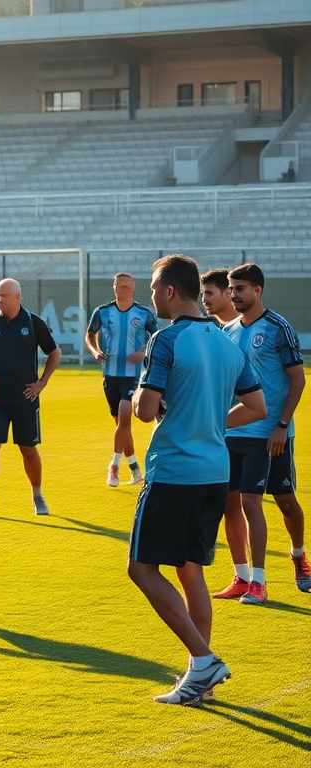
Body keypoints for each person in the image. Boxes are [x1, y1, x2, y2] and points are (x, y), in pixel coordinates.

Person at [127, 254, 265, 705]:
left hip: (175, 470)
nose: (151, 297)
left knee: (142, 568)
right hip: (215, 470)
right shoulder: (229, 342)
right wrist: (209, 422)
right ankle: (197, 678)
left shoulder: (165, 341)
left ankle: (204, 661)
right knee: (190, 571)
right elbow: (257, 408)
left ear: (168, 291)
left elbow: (146, 410)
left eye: (152, 289)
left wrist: (142, 400)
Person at [212, 263, 307, 604]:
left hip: (270, 433)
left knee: (284, 503)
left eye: (239, 289)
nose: (233, 294)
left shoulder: (278, 327)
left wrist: (282, 426)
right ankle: (245, 579)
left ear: (258, 290)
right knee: (232, 502)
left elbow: (297, 379)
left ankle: (298, 556)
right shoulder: (229, 331)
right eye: (231, 289)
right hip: (236, 430)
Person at [0, 279, 60, 518]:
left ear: (18, 297)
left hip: (25, 398)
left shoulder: (33, 323)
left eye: (4, 296)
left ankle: (38, 496)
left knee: (28, 449)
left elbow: (54, 352)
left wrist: (43, 382)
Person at [84, 273, 159, 488]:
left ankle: (114, 466)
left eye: (127, 286)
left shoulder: (143, 314)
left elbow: (157, 337)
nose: (122, 289)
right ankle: (134, 467)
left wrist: (143, 351)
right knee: (121, 425)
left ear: (133, 288)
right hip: (110, 375)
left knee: (125, 420)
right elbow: (89, 335)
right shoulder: (103, 311)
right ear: (114, 288)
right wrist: (95, 351)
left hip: (133, 375)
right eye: (119, 286)